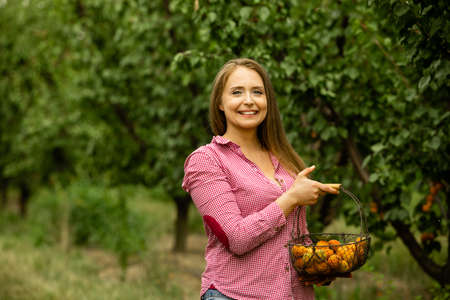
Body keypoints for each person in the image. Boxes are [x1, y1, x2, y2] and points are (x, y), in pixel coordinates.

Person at [182, 58, 339, 300]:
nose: (249, 100)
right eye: (237, 92)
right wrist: (290, 199)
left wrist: (315, 266)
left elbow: (294, 233)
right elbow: (236, 238)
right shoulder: (207, 161)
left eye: (257, 92)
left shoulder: (283, 157)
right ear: (220, 103)